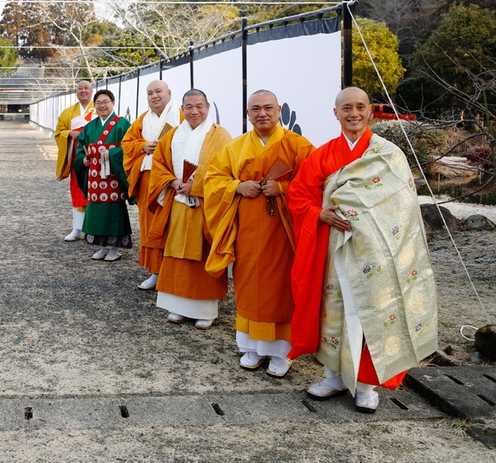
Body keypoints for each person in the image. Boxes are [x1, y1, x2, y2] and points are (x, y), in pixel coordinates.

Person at [288, 87, 438, 413]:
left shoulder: (389, 154)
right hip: (334, 251)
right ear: (336, 113)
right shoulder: (323, 155)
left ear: (370, 111)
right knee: (334, 312)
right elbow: (298, 194)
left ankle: (367, 384)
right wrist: (319, 213)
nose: (353, 113)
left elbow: (403, 205)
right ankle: (334, 376)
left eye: (359, 107)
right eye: (346, 108)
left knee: (372, 315)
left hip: (376, 256)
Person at [204, 89, 314, 377]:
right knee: (248, 282)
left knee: (280, 286)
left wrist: (284, 188)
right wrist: (237, 187)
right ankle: (251, 346)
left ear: (279, 111)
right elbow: (214, 180)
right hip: (247, 227)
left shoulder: (298, 146)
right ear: (247, 114)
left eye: (268, 108)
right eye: (255, 109)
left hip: (284, 230)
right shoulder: (235, 147)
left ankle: (282, 352)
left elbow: (316, 185)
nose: (262, 113)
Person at [148, 89, 231, 328]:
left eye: (199, 106)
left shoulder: (220, 135)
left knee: (202, 256)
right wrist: (173, 182)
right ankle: (178, 307)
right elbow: (159, 165)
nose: (194, 111)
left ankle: (205, 310)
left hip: (205, 208)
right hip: (177, 205)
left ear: (208, 107)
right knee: (175, 255)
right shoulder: (173, 135)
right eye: (189, 107)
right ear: (182, 109)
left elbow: (227, 171)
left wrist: (196, 186)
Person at [122, 80, 180, 290]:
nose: (154, 96)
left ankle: (173, 272)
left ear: (169, 92)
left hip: (171, 179)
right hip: (147, 178)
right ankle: (155, 271)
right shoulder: (142, 120)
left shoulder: (181, 116)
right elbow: (127, 143)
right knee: (150, 226)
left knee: (173, 225)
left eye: (158, 91)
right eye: (150, 93)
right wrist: (143, 145)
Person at [74, 89, 132, 261]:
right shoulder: (90, 126)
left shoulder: (122, 124)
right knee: (97, 210)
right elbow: (81, 148)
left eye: (106, 101)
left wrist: (114, 154)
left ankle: (114, 248)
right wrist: (84, 159)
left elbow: (129, 148)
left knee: (113, 210)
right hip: (94, 176)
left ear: (113, 103)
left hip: (113, 176)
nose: (102, 105)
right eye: (98, 103)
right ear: (95, 105)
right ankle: (102, 246)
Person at [55, 80, 95, 241]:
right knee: (77, 191)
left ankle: (92, 229)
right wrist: (70, 134)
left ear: (92, 91)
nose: (83, 91)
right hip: (76, 157)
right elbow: (59, 132)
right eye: (80, 88)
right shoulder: (68, 112)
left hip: (95, 157)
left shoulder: (98, 109)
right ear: (76, 91)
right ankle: (77, 228)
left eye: (86, 88)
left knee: (95, 192)